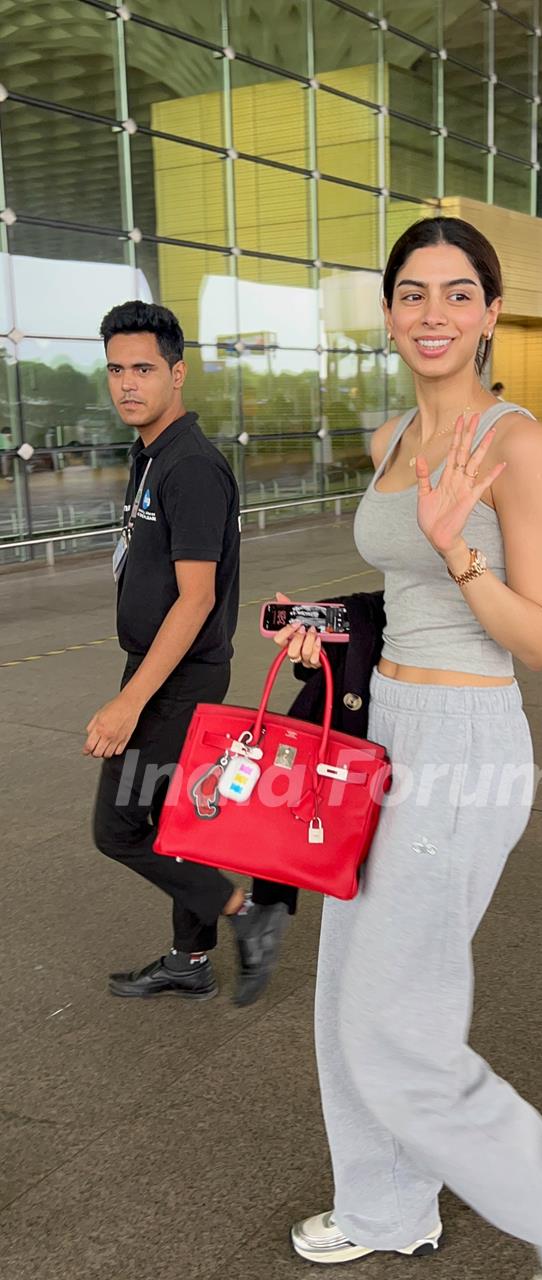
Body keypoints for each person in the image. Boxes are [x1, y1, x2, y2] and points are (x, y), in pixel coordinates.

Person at [275, 218, 542, 1277]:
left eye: (454, 293)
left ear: (489, 311)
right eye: (410, 293)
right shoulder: (398, 432)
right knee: (348, 991)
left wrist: (460, 554)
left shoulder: (518, 444)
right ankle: (386, 1204)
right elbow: (405, 598)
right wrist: (328, 631)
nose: (430, 313)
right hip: (384, 726)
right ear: (389, 311)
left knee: (399, 1014)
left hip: (461, 744)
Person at [88, 300, 291, 1005]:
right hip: (162, 667)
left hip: (177, 675)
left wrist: (129, 700)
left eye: (143, 368)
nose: (127, 384)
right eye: (116, 369)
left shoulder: (190, 467)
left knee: (118, 827)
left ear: (178, 375)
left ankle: (248, 911)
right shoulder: (152, 456)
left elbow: (196, 599)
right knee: (176, 818)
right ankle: (190, 957)